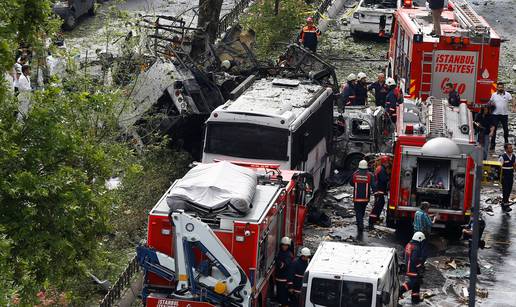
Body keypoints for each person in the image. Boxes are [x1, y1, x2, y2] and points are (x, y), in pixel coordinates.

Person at [399, 232, 427, 304]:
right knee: (414, 282)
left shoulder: (409, 244)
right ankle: (400, 290)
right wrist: (419, 266)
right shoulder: (416, 247)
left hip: (408, 266)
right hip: (412, 269)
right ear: (419, 239)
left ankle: (415, 299)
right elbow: (414, 259)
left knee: (417, 283)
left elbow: (403, 254)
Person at [350, 160, 374, 232]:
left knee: (358, 212)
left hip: (357, 198)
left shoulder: (355, 174)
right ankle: (360, 223)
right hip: (365, 199)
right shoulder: (370, 175)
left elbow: (351, 183)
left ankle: (360, 225)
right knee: (362, 211)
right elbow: (373, 185)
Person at [489, 82, 514, 150]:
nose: (500, 88)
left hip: (504, 115)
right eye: (499, 87)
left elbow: (512, 100)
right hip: (495, 115)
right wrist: (490, 107)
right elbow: (490, 102)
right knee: (494, 130)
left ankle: (506, 144)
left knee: (506, 130)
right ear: (497, 88)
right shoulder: (494, 95)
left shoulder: (507, 94)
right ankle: (492, 145)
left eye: (501, 87)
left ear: (503, 87)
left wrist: (514, 107)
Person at [369, 156, 390, 229]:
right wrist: (389, 178)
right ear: (385, 162)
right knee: (378, 205)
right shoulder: (382, 169)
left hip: (379, 190)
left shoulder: (380, 168)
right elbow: (384, 179)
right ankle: (371, 221)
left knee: (380, 203)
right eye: (388, 162)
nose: (388, 164)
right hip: (379, 190)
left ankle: (375, 218)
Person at [275, 237, 294, 307]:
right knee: (279, 297)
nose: (284, 246)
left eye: (286, 245)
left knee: (284, 298)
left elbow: (283, 266)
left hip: (284, 280)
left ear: (288, 246)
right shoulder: (280, 252)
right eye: (283, 245)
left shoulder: (289, 255)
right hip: (278, 279)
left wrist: (277, 261)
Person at [498, 143, 515, 212]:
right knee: (505, 190)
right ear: (506, 149)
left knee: (509, 189)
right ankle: (506, 205)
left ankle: (504, 202)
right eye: (509, 148)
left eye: (511, 147)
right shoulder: (502, 157)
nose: (511, 149)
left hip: (511, 175)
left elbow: (514, 165)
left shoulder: (513, 156)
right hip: (504, 176)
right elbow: (498, 167)